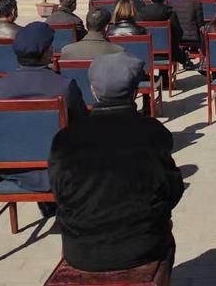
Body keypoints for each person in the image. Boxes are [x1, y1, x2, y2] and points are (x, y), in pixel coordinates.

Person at [49, 52, 183, 277]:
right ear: (135, 91)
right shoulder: (152, 132)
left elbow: (58, 192)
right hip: (143, 244)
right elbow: (172, 189)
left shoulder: (65, 138)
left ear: (93, 90)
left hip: (81, 250)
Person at [0, 22, 88, 198]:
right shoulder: (64, 86)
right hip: (58, 170)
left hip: (11, 169)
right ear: (47, 52)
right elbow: (82, 126)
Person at [137, 0, 185, 64]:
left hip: (146, 52)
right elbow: (178, 33)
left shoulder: (141, 13)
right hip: (168, 53)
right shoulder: (169, 12)